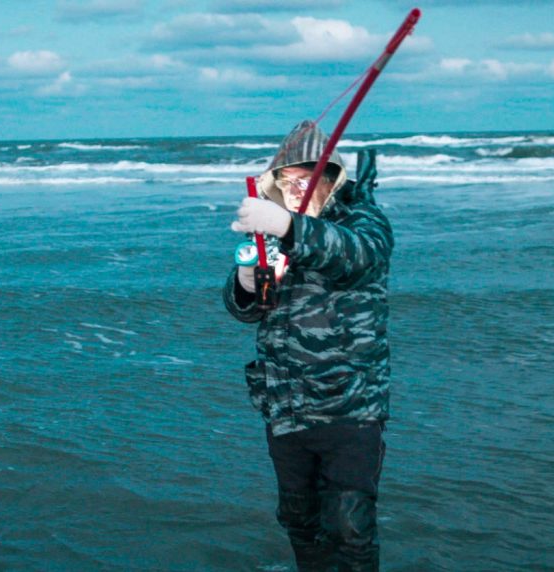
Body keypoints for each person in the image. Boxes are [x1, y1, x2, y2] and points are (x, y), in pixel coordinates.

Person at [223, 120, 393, 572]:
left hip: (349, 407)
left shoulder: (362, 221)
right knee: (299, 519)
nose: (298, 188)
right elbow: (245, 311)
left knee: (351, 526)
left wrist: (288, 226)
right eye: (289, 180)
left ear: (331, 180)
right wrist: (246, 283)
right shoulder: (267, 234)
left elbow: (356, 255)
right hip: (285, 405)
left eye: (309, 178)